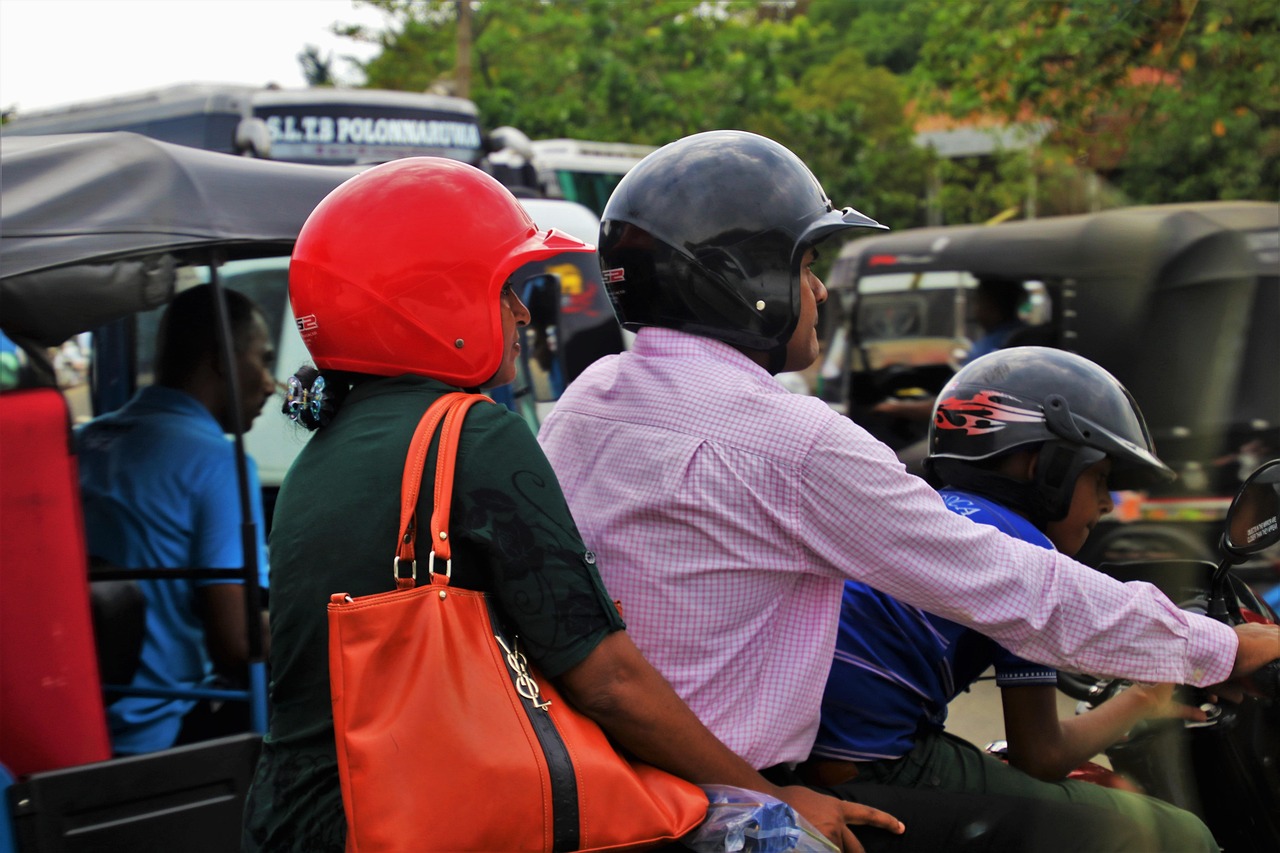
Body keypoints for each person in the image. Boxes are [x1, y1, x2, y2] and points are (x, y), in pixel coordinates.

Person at [537, 130, 1280, 851]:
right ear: (743, 278)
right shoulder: (792, 441)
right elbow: (1014, 586)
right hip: (730, 802)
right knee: (1164, 838)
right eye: (805, 265)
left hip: (603, 782)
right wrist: (1220, 648)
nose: (820, 289)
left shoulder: (585, 401)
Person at [240, 157, 907, 853]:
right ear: (433, 303)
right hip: (398, 817)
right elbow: (607, 680)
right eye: (506, 290)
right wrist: (773, 800)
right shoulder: (470, 433)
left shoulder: (321, 449)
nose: (523, 313)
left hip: (292, 813)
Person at [805, 346, 1218, 852]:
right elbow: (1040, 755)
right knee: (1181, 835)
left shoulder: (932, 511)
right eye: (1101, 478)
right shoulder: (1022, 554)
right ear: (1044, 467)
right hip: (879, 768)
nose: (1107, 504)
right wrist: (1145, 699)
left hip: (815, 756)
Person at [75, 284, 274, 755]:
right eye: (263, 360)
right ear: (224, 359)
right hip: (165, 726)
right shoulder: (218, 462)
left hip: (88, 717)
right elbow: (238, 642)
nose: (270, 383)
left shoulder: (87, 442)